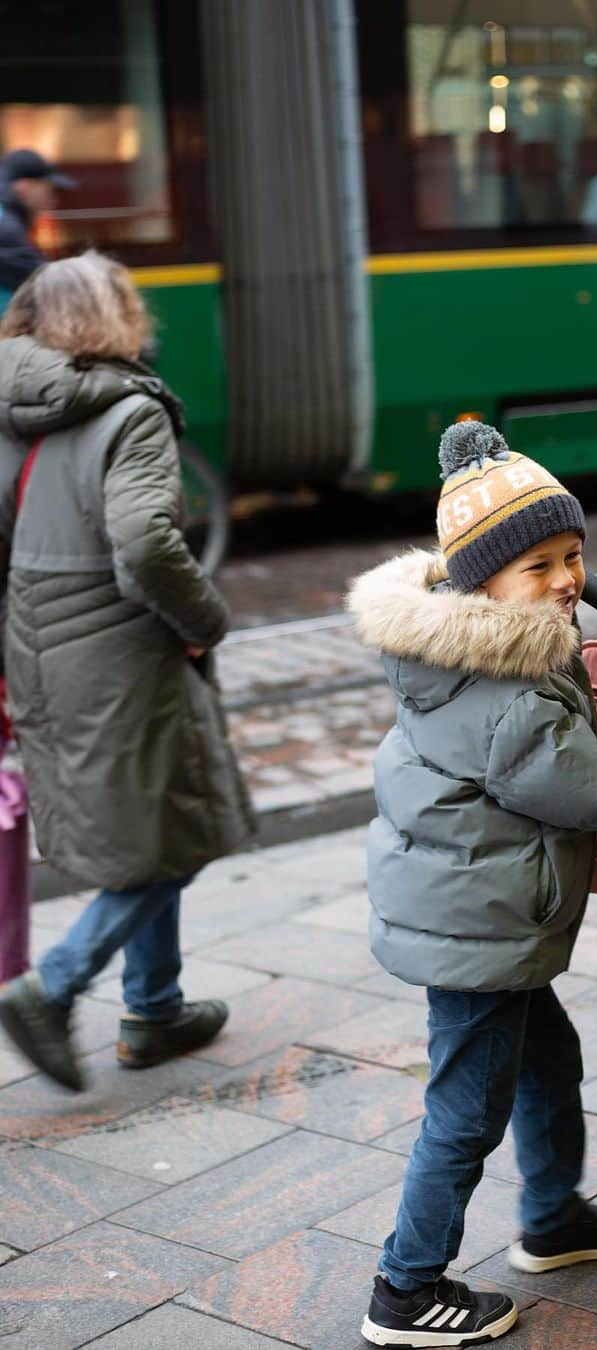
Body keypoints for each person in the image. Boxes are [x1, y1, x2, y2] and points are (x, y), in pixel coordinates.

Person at [346, 421, 597, 1347]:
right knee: (465, 1113)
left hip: (475, 910)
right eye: (540, 566)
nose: (569, 580)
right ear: (481, 582)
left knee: (547, 1062)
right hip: (478, 930)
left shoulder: (477, 649)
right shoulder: (507, 692)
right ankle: (405, 1289)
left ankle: (553, 1218)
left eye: (574, 554)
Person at [0, 250, 254, 1093]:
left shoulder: (13, 405)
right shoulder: (130, 409)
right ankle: (56, 985)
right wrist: (204, 623)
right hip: (120, 647)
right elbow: (145, 543)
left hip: (37, 647)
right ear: (116, 316)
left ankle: (155, 1008)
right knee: (185, 827)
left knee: (155, 816)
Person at [0, 149, 76, 304]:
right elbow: (42, 282)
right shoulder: (6, 227)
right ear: (24, 187)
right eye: (49, 191)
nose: (53, 202)